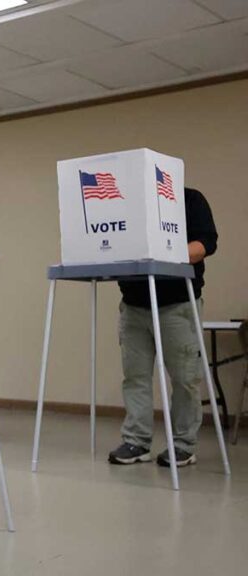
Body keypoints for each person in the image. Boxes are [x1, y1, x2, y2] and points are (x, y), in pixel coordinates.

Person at [108, 187, 217, 468]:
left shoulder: (189, 198)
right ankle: (137, 441)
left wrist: (163, 253)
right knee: (135, 377)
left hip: (177, 303)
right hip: (133, 304)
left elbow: (205, 244)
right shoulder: (130, 204)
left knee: (184, 379)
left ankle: (183, 445)